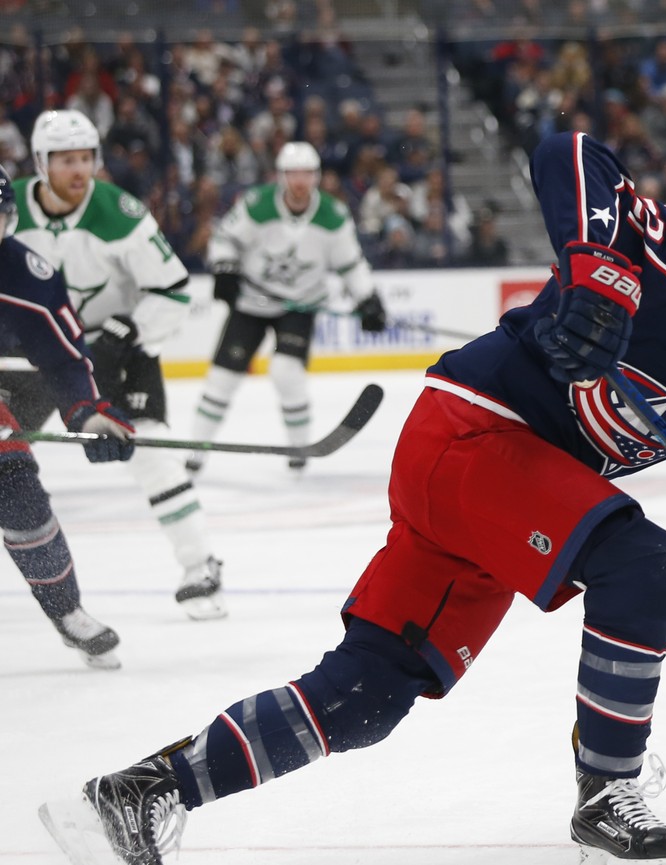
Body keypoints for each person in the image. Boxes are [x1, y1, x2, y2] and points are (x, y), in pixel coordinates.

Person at [38, 130, 666, 865]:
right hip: (472, 433)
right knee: (640, 564)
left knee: (370, 693)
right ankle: (608, 789)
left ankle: (141, 790)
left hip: (514, 501)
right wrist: (600, 278)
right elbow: (568, 152)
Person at [1, 108, 227, 620]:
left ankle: (201, 567)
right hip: (35, 355)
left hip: (115, 353)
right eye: (64, 161)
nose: (77, 171)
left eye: (85, 159)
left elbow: (171, 290)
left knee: (147, 452)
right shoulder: (9, 206)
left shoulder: (120, 214)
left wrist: (132, 329)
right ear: (40, 162)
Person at [0, 162, 135, 669]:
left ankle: (67, 610)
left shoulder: (28, 276)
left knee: (19, 494)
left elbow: (65, 359)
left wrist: (88, 413)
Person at [184, 141, 387, 477]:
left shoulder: (332, 216)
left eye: (306, 173)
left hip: (300, 306)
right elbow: (225, 240)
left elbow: (350, 264)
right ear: (280, 176)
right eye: (292, 173)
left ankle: (298, 450)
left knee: (286, 373)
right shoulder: (256, 205)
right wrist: (223, 267)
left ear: (317, 177)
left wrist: (368, 299)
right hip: (251, 302)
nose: (299, 181)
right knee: (222, 378)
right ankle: (196, 450)